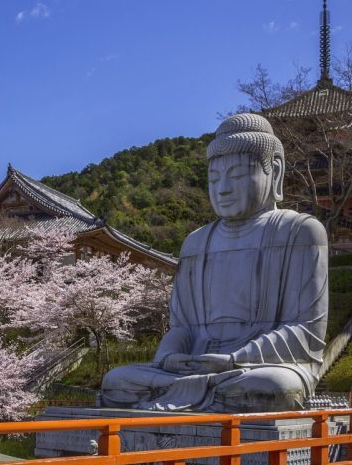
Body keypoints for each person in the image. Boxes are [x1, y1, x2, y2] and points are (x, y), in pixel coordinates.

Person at [99, 113, 328, 413]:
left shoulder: (300, 232)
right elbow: (183, 327)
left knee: (274, 388)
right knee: (116, 381)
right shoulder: (196, 243)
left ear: (274, 171)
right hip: (191, 367)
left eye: (235, 176)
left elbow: (305, 333)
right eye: (214, 178)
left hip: (253, 369)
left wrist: (237, 358)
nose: (222, 189)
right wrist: (170, 355)